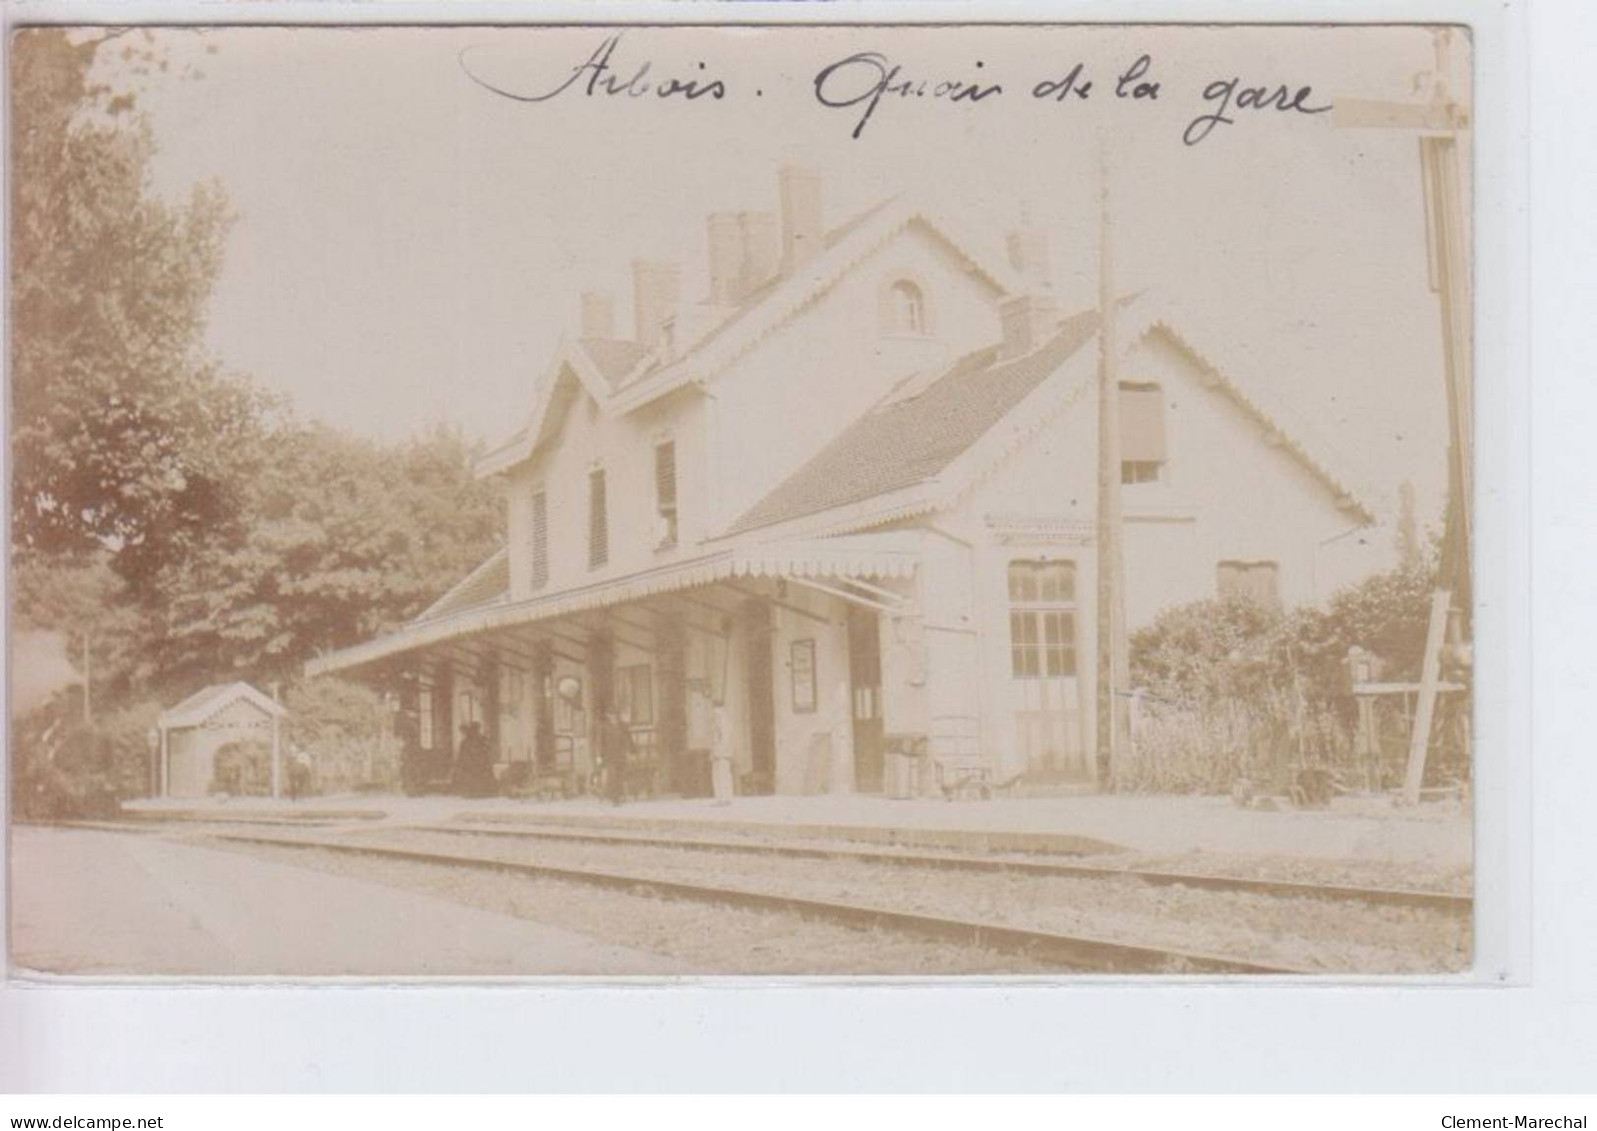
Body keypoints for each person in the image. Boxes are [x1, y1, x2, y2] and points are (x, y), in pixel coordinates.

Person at [598, 707, 633, 806]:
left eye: (615, 715)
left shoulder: (623, 726)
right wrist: (599, 756)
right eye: (611, 715)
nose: (613, 717)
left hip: (621, 755)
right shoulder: (604, 727)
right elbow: (600, 742)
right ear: (608, 716)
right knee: (612, 776)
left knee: (620, 776)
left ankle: (619, 796)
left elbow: (629, 739)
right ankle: (615, 799)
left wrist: (632, 750)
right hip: (609, 756)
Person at [452, 721, 496, 798]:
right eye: (473, 729)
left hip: (478, 763)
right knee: (472, 777)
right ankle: (473, 792)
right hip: (473, 763)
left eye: (475, 729)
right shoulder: (468, 741)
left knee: (477, 777)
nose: (474, 731)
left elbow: (487, 749)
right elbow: (462, 753)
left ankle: (478, 792)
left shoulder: (479, 739)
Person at [710, 702, 734, 806]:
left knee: (722, 774)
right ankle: (720, 797)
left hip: (722, 753)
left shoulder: (723, 720)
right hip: (718, 752)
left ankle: (725, 797)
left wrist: (719, 752)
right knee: (718, 775)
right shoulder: (718, 720)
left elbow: (724, 738)